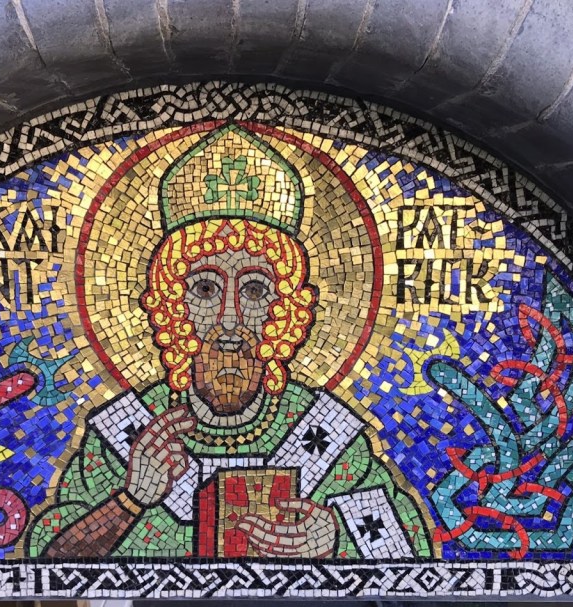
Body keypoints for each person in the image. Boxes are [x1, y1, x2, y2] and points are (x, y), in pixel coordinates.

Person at [27, 125, 434, 560]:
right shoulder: (126, 435)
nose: (229, 322)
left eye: (255, 290)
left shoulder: (328, 433)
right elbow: (44, 560)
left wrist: (334, 536)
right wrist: (130, 500)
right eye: (205, 289)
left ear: (288, 310)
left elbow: (414, 551)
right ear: (170, 306)